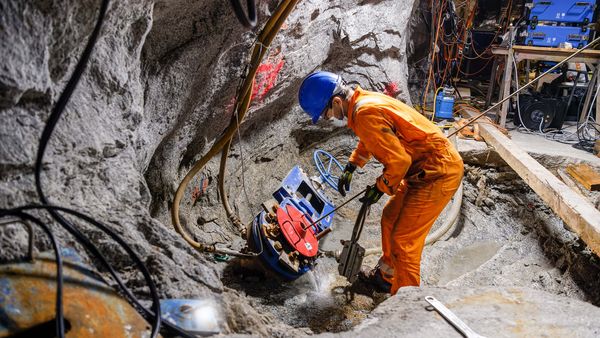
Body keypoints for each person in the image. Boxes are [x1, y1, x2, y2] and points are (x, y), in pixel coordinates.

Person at [297, 71, 464, 295]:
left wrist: (381, 187)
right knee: (390, 217)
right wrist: (353, 164)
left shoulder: (364, 112)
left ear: (337, 102)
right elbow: (373, 136)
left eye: (326, 114)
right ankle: (386, 278)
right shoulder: (362, 102)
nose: (329, 118)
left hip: (437, 172)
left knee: (404, 241)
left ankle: (405, 303)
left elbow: (399, 161)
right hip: (421, 170)